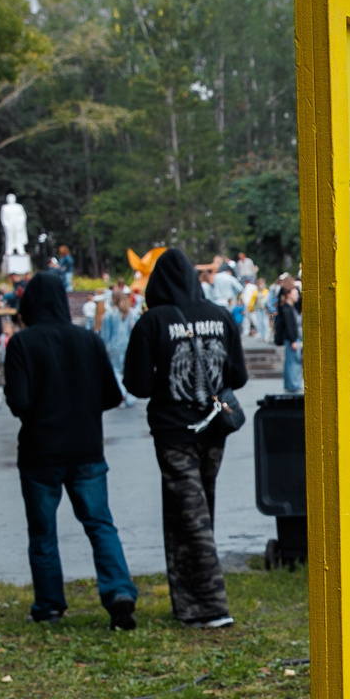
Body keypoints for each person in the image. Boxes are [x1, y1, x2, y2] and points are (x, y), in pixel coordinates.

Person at [2, 271, 138, 629]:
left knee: (42, 532)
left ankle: (48, 604)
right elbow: (112, 394)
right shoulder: (88, 340)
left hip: (40, 450)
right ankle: (119, 591)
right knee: (100, 524)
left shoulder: (22, 344)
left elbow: (18, 400)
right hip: (87, 448)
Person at [122, 248, 247, 629]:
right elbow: (237, 377)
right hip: (214, 430)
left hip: (174, 432)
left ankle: (211, 606)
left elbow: (138, 385)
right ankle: (189, 605)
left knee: (188, 516)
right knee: (196, 510)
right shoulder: (221, 316)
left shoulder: (153, 322)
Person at [99, 285, 136, 387]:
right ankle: (128, 394)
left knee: (115, 371)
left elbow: (105, 334)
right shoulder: (130, 312)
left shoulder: (109, 314)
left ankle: (122, 393)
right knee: (125, 371)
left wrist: (104, 348)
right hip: (127, 345)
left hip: (113, 346)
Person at [272, 275, 303, 394]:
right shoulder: (287, 308)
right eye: (295, 294)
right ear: (289, 294)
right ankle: (293, 384)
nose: (297, 296)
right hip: (292, 339)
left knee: (291, 362)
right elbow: (290, 326)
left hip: (292, 338)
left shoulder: (287, 307)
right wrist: (293, 339)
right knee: (293, 362)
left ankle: (291, 383)